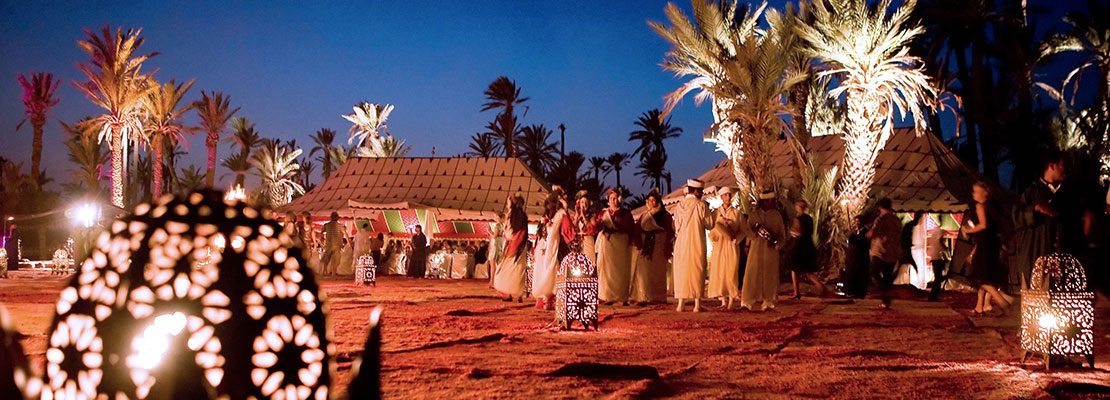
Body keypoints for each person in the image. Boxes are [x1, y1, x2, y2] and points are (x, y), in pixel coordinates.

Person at [1012, 153, 1085, 288]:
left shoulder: (1068, 194)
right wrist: (1035, 209)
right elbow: (1017, 216)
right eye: (1063, 165)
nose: (1066, 169)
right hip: (1036, 255)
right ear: (1052, 166)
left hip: (1062, 259)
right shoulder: (1031, 192)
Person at [963, 182, 1015, 315]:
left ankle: (1002, 301)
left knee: (979, 277)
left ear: (983, 192)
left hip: (985, 245)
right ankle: (981, 306)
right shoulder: (993, 207)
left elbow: (983, 225)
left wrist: (968, 230)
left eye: (976, 191)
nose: (973, 193)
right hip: (991, 244)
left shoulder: (980, 206)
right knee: (985, 275)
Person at [742, 189, 785, 311]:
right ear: (765, 201)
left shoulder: (777, 216)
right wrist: (753, 236)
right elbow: (747, 231)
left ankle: (769, 301)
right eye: (771, 200)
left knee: (770, 275)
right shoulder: (754, 215)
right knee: (752, 274)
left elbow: (782, 235)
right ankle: (747, 301)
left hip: (771, 252)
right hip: (756, 250)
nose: (773, 202)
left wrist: (778, 245)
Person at [673, 179, 713, 312]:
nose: (702, 193)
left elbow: (676, 226)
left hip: (682, 244)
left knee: (682, 271)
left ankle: (681, 304)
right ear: (696, 191)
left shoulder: (679, 206)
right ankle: (697, 304)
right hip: (696, 242)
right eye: (701, 191)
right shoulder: (701, 205)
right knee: (697, 269)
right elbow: (710, 224)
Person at [533, 189, 574, 309]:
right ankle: (543, 297)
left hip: (555, 246)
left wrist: (565, 208)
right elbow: (540, 232)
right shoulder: (545, 215)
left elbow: (567, 230)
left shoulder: (561, 213)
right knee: (541, 269)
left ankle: (550, 298)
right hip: (544, 246)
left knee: (553, 270)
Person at [631, 189, 674, 306]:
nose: (651, 203)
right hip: (646, 245)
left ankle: (658, 296)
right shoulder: (644, 215)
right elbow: (637, 229)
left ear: (658, 201)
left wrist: (668, 245)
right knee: (644, 271)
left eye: (653, 200)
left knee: (658, 270)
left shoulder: (664, 215)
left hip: (659, 243)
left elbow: (670, 230)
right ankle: (643, 296)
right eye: (649, 200)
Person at [595, 188, 637, 306]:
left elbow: (630, 228)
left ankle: (622, 296)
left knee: (621, 270)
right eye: (611, 198)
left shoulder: (625, 213)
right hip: (608, 244)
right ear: (608, 200)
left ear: (620, 199)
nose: (613, 201)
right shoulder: (604, 213)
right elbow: (597, 226)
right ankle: (607, 296)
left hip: (621, 244)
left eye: (615, 198)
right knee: (607, 271)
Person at [708, 187, 744, 309]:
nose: (728, 197)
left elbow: (743, 230)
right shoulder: (716, 213)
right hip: (719, 246)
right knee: (719, 271)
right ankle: (723, 299)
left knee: (731, 271)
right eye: (725, 195)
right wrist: (716, 234)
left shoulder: (736, 213)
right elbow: (712, 228)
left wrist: (736, 240)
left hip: (731, 245)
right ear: (722, 197)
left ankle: (732, 300)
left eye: (729, 195)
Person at [867, 198, 903, 309]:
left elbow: (873, 233)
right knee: (887, 275)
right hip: (893, 252)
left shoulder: (881, 219)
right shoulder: (896, 220)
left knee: (874, 273)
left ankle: (885, 293)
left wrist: (867, 235)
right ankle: (886, 300)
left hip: (880, 251)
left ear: (880, 207)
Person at [494, 194, 530, 301]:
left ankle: (516, 293)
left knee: (514, 269)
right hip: (512, 244)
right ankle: (509, 293)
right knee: (511, 269)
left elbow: (520, 232)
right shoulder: (512, 215)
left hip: (516, 246)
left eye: (509, 202)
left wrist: (514, 245)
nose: (507, 204)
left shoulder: (519, 215)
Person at [784, 199, 823, 299]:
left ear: (798, 207)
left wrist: (792, 232)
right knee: (808, 271)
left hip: (799, 245)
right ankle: (821, 287)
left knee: (794, 269)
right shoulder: (809, 218)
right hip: (808, 244)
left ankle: (796, 292)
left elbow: (798, 232)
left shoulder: (798, 219)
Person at [843, 216, 870, 299]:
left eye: (859, 221)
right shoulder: (854, 232)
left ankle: (860, 293)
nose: (857, 223)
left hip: (862, 257)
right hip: (853, 257)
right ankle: (851, 291)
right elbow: (850, 240)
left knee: (861, 275)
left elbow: (864, 243)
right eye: (856, 221)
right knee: (852, 273)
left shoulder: (866, 232)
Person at [575, 190, 601, 265]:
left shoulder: (591, 216)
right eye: (582, 202)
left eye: (586, 203)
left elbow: (592, 227)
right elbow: (574, 226)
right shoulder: (577, 216)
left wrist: (583, 216)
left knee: (589, 260)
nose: (584, 204)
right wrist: (577, 215)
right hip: (580, 243)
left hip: (588, 241)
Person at [926, 221, 949, 302]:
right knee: (938, 278)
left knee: (938, 277)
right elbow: (940, 241)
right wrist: (945, 248)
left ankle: (933, 296)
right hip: (937, 257)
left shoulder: (934, 232)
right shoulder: (939, 232)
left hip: (935, 257)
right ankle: (933, 296)